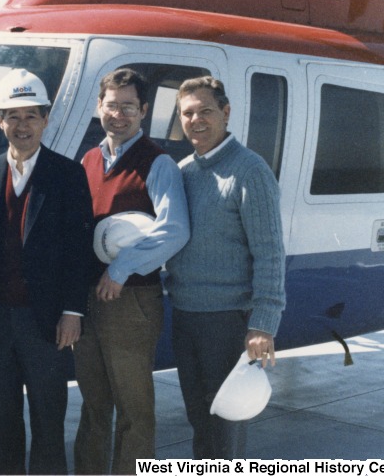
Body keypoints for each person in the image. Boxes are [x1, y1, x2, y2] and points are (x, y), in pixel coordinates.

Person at [0, 69, 94, 474]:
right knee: (3, 420)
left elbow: (80, 251)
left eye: (31, 116)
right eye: (13, 116)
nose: (22, 125)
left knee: (48, 420)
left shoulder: (67, 175)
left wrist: (73, 312)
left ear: (46, 120)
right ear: (0, 122)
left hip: (45, 321)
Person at [74, 68, 190, 474]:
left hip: (131, 301)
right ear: (99, 107)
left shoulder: (158, 164)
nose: (118, 115)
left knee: (133, 409)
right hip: (88, 300)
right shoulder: (88, 160)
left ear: (143, 111)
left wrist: (122, 268)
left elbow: (174, 230)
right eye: (111, 105)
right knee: (93, 405)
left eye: (128, 107)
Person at [165, 75, 286, 459]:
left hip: (227, 320)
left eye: (206, 111)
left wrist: (263, 323)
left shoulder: (251, 171)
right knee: (200, 419)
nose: (196, 120)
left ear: (226, 113)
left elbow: (270, 252)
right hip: (185, 315)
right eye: (187, 113)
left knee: (226, 424)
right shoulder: (184, 170)